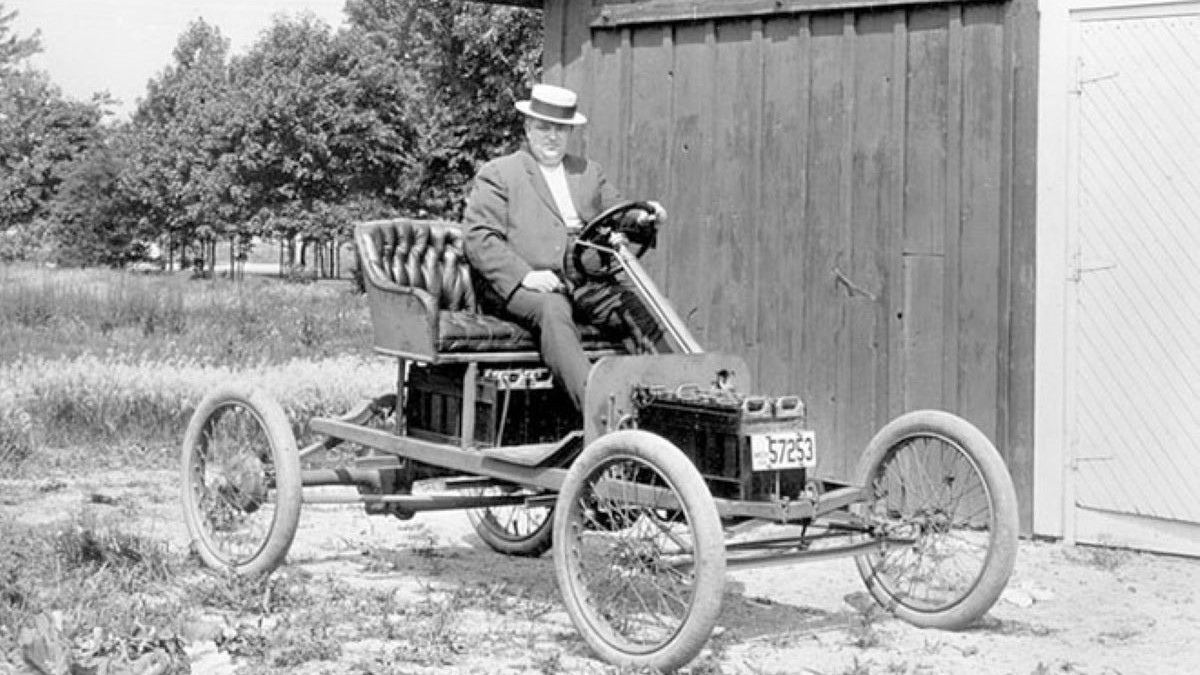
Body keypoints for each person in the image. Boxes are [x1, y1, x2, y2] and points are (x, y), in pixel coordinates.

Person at [463, 83, 666, 411]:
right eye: (543, 127)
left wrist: (643, 218)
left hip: (583, 281)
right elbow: (479, 238)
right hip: (522, 288)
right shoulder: (500, 173)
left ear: (570, 132)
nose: (551, 136)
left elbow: (619, 212)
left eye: (560, 129)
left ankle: (669, 401)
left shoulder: (587, 172)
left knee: (633, 304)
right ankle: (599, 411)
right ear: (528, 128)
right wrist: (525, 276)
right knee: (553, 309)